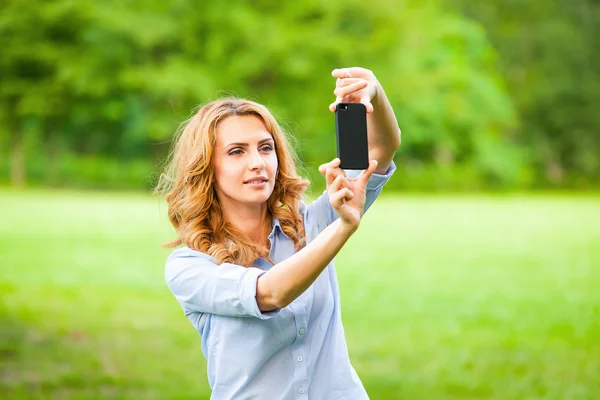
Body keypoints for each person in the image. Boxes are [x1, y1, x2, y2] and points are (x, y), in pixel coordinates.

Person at [158, 67, 401, 399]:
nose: (257, 162)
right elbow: (270, 294)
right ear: (206, 169)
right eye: (236, 151)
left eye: (265, 148)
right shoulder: (188, 266)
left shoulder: (309, 224)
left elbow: (382, 149)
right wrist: (344, 226)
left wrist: (374, 92)